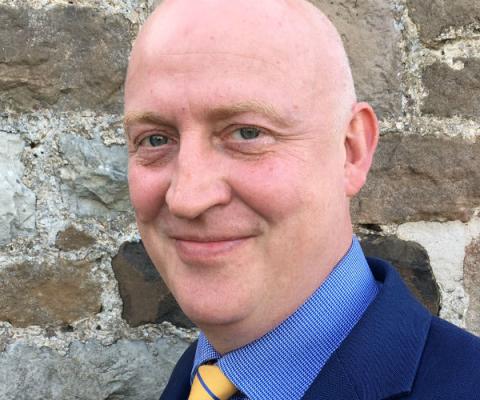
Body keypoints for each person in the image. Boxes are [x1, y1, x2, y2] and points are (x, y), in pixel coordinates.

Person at [123, 0, 480, 399]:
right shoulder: (197, 381)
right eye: (155, 139)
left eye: (247, 133)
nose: (188, 198)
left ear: (351, 151)